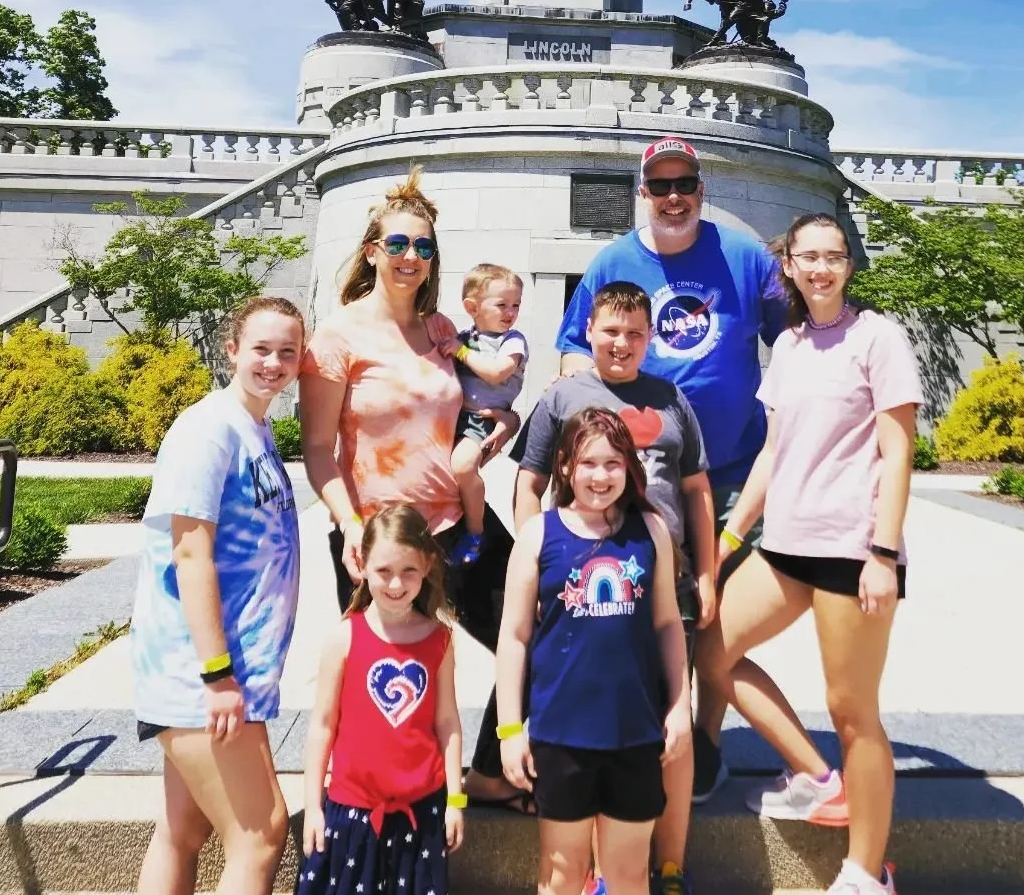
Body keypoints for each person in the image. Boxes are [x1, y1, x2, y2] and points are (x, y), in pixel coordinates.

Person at [555, 137, 789, 800]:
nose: (674, 196)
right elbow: (574, 349)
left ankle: (704, 742)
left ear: (701, 188)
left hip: (735, 469)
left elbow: (794, 337)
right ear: (643, 193)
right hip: (648, 474)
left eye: (684, 182)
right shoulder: (613, 261)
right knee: (646, 606)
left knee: (717, 619)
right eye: (660, 186)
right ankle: (644, 729)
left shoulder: (743, 256)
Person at [695, 214, 922, 895]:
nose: (821, 269)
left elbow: (898, 448)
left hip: (853, 550)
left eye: (834, 257)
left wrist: (883, 551)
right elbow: (773, 452)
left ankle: (867, 869)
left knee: (853, 711)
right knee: (710, 649)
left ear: (849, 265)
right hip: (784, 544)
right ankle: (817, 778)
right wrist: (728, 540)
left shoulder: (878, 339)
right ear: (787, 266)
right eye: (808, 257)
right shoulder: (789, 345)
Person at [298, 169, 525, 810]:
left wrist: (499, 426)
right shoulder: (337, 337)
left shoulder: (441, 329)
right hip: (377, 538)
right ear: (372, 250)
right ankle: (374, 808)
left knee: (541, 627)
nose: (411, 258)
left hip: (455, 524)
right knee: (380, 683)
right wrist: (348, 527)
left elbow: (478, 404)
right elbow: (318, 450)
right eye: (398, 245)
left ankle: (485, 770)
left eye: (423, 247)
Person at [516, 281, 714, 895]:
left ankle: (667, 861)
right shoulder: (564, 396)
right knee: (579, 701)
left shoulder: (671, 397)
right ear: (589, 333)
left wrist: (704, 572)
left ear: (650, 337)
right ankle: (595, 873)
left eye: (634, 333)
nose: (622, 343)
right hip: (574, 584)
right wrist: (539, 558)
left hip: (658, 577)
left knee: (661, 722)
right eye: (610, 331)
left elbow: (697, 490)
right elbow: (529, 481)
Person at [132, 296, 305, 895]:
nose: (274, 362)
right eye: (261, 348)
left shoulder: (254, 427)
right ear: (232, 350)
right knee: (260, 835)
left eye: (288, 351)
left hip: (229, 678)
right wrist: (218, 675)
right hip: (203, 678)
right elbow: (189, 552)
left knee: (182, 830)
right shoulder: (208, 428)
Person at [497, 408, 691, 895]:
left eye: (612, 464)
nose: (600, 476)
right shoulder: (539, 535)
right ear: (564, 466)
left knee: (627, 875)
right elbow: (514, 637)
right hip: (561, 736)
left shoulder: (650, 531)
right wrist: (509, 729)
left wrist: (679, 708)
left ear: (629, 468)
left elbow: (668, 623)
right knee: (562, 873)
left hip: (635, 733)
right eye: (588, 463)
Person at [296, 504, 464, 895]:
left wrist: (456, 799)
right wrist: (312, 808)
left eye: (408, 571)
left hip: (421, 814)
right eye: (383, 571)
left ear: (426, 566)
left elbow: (448, 723)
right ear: (362, 566)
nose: (395, 584)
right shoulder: (344, 638)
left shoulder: (440, 639)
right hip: (351, 815)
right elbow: (322, 727)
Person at [442, 263, 529, 565]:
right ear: (472, 307)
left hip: (483, 417)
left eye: (516, 304)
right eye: (502, 304)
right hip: (454, 417)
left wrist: (460, 352)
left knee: (464, 467)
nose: (511, 311)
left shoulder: (512, 341)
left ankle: (475, 531)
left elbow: (496, 373)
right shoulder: (464, 336)